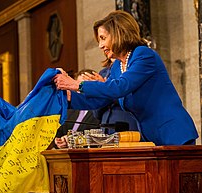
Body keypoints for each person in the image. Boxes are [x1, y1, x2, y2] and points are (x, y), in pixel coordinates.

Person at [54, 10, 198, 146]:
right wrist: (68, 97)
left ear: (118, 34)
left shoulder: (144, 55)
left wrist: (76, 84)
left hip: (173, 134)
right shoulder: (117, 66)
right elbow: (102, 100)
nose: (100, 45)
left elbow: (120, 87)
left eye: (103, 38)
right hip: (151, 139)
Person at [54, 69, 100, 148]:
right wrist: (59, 141)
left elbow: (99, 136)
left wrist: (74, 140)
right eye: (79, 85)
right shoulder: (69, 109)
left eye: (86, 85)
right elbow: (58, 133)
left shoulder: (100, 110)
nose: (82, 89)